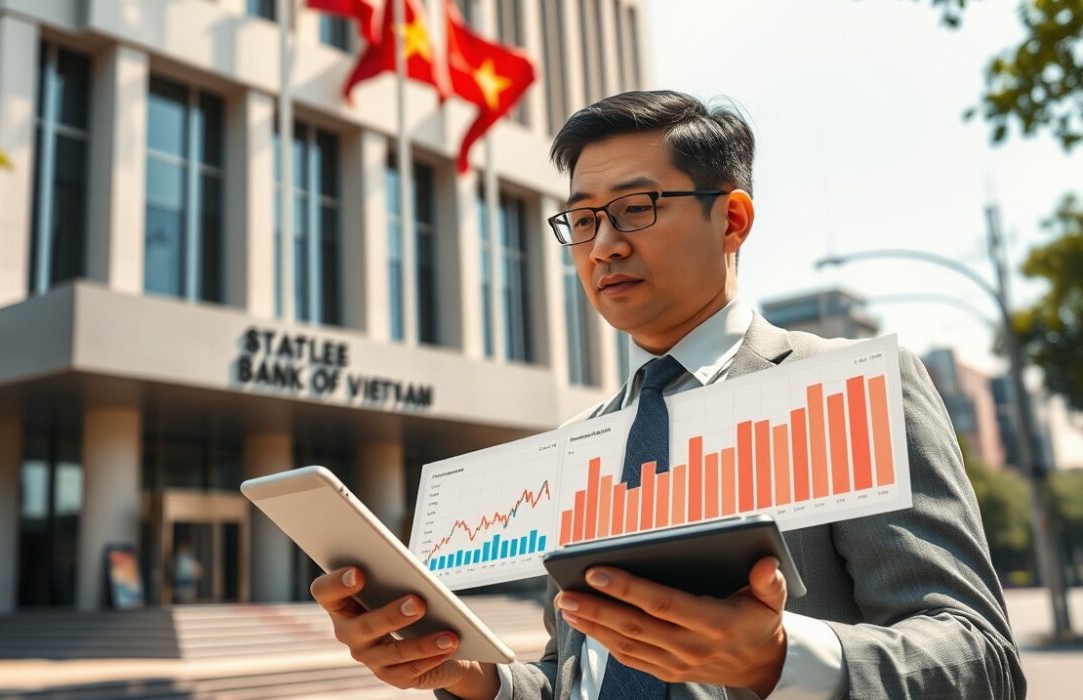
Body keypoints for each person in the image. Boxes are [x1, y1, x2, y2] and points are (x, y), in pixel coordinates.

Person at [310, 91, 1026, 699]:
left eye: (637, 208)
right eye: (583, 220)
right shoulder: (582, 441)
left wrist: (780, 660)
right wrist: (477, 678)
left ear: (733, 220)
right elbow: (575, 675)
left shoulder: (848, 385)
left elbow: (981, 658)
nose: (602, 246)